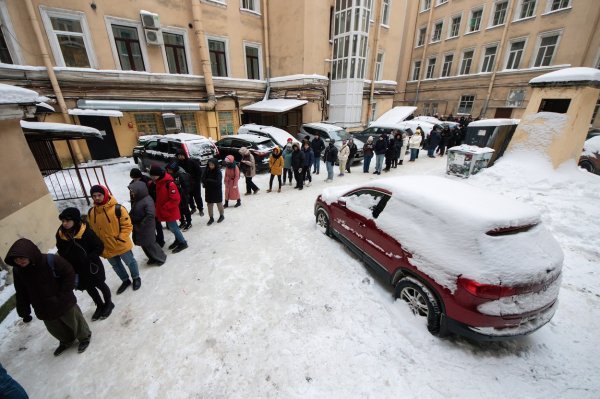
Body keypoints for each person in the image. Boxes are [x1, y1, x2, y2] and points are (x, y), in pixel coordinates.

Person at [5, 238, 92, 356]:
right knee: (55, 328)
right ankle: (66, 341)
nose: (20, 262)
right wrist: (24, 311)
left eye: (22, 258)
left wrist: (63, 294)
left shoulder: (50, 260)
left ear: (30, 254)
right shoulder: (18, 271)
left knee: (74, 321)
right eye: (16, 260)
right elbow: (21, 291)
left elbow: (69, 273)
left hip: (63, 301)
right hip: (42, 306)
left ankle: (84, 337)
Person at [55, 208, 113, 321]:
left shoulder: (86, 231)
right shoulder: (60, 234)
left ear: (75, 220)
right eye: (63, 221)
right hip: (76, 268)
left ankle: (109, 303)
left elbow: (99, 246)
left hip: (91, 266)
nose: (64, 224)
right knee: (88, 287)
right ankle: (99, 305)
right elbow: (60, 249)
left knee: (100, 284)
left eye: (67, 221)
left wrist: (89, 258)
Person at [88, 185, 141, 294]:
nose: (97, 198)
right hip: (106, 246)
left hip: (120, 244)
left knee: (130, 262)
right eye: (94, 196)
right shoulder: (91, 212)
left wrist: (120, 239)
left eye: (99, 195)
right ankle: (125, 280)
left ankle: (136, 278)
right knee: (116, 266)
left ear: (105, 194)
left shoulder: (118, 209)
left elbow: (127, 226)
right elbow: (92, 230)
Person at [149, 165, 188, 253]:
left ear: (158, 174)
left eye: (154, 176)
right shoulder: (159, 182)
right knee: (171, 227)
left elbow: (175, 199)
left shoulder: (169, 183)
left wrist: (165, 207)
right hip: (165, 210)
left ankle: (183, 242)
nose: (152, 178)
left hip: (170, 210)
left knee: (174, 227)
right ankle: (178, 240)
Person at [128, 180, 167, 266]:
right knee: (143, 243)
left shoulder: (147, 200)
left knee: (150, 243)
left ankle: (161, 258)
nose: (131, 193)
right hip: (139, 226)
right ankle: (152, 257)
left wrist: (141, 224)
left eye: (133, 191)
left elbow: (150, 215)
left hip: (145, 226)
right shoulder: (138, 199)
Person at [130, 168, 164, 247]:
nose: (134, 180)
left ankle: (161, 240)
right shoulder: (132, 183)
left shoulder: (148, 181)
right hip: (141, 208)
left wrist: (155, 204)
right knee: (148, 226)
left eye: (136, 178)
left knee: (156, 224)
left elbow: (155, 193)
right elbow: (132, 197)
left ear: (139, 176)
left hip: (151, 205)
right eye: (133, 178)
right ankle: (154, 240)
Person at [176, 150, 204, 216]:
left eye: (181, 155)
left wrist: (197, 180)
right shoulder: (178, 164)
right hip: (186, 184)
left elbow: (199, 171)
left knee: (197, 196)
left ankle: (200, 209)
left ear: (184, 155)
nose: (180, 157)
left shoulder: (191, 162)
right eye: (179, 156)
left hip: (195, 183)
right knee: (189, 197)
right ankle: (193, 208)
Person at [166, 162, 192, 231]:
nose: (168, 171)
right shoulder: (171, 175)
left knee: (185, 209)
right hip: (177, 196)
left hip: (183, 196)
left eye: (169, 170)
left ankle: (189, 222)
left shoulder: (181, 175)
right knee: (179, 209)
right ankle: (182, 221)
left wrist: (183, 193)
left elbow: (186, 187)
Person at [202, 158, 225, 225]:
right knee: (209, 205)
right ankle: (211, 217)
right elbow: (203, 178)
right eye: (209, 165)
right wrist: (206, 181)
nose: (211, 166)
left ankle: (221, 215)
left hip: (216, 190)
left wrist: (208, 180)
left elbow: (218, 182)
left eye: (212, 165)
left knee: (219, 203)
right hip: (209, 191)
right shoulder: (206, 170)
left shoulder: (218, 172)